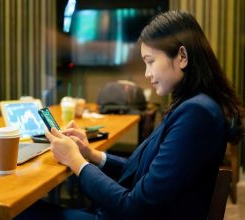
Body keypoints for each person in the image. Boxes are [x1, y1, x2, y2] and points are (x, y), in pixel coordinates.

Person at [15, 10, 244, 220]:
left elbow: (134, 207)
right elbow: (145, 172)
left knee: (19, 212)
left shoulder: (197, 113)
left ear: (182, 56)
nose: (147, 74)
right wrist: (90, 154)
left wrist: (75, 161)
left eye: (150, 61)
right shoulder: (196, 105)